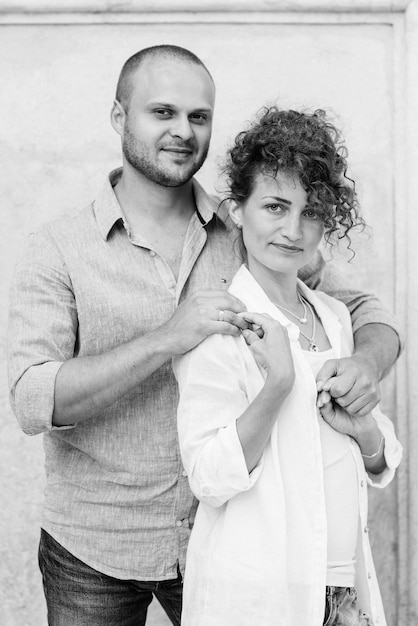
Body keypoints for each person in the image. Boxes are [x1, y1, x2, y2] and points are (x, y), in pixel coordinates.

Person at [7, 45, 400, 626]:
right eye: (161, 113)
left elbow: (364, 313)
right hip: (94, 547)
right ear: (120, 118)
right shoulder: (59, 248)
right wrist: (168, 337)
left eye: (198, 117)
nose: (182, 132)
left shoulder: (250, 227)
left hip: (229, 542)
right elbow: (32, 398)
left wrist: (365, 365)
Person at [174, 107, 403, 626]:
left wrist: (364, 428)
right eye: (275, 207)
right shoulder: (223, 324)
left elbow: (374, 455)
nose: (293, 230)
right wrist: (277, 385)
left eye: (312, 211)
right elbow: (208, 478)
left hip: (344, 595)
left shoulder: (335, 315)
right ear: (238, 210)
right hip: (262, 597)